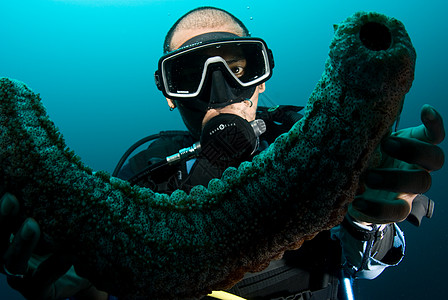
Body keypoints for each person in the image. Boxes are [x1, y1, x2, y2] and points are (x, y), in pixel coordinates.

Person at [0, 6, 445, 300]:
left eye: (237, 68)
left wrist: (369, 217)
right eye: (189, 75)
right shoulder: (148, 176)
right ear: (170, 95)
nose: (220, 93)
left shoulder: (305, 137)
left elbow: (361, 267)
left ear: (262, 77)